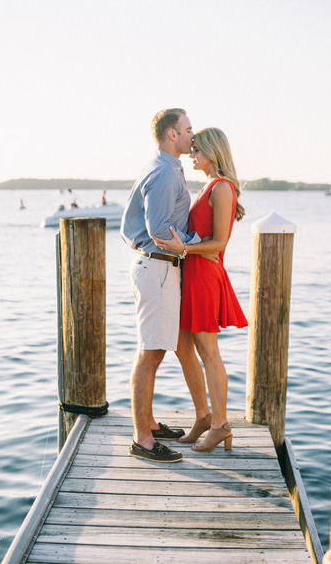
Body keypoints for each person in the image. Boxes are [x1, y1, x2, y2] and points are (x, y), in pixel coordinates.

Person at [152, 127, 248, 452]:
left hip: (205, 275)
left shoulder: (222, 188)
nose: (191, 154)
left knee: (209, 352)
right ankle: (204, 416)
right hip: (191, 275)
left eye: (196, 149)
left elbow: (219, 244)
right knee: (182, 347)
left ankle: (220, 424)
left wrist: (182, 248)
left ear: (211, 151)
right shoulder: (208, 186)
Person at [120, 108, 201, 463]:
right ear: (172, 134)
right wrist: (198, 238)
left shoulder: (165, 168)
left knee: (153, 351)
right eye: (187, 129)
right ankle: (142, 440)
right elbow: (158, 229)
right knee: (150, 354)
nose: (192, 136)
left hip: (159, 268)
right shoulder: (165, 173)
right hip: (158, 268)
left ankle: (149, 423)